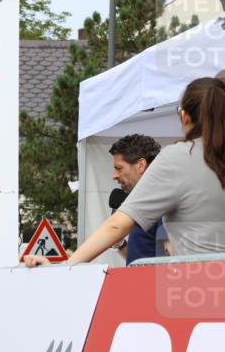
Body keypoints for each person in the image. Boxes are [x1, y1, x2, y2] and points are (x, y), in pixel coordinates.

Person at [25, 76, 225, 266]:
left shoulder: (178, 157)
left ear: (185, 116)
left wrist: (67, 266)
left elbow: (116, 226)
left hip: (204, 288)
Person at [107, 134, 167, 264]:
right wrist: (120, 244)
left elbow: (168, 263)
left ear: (141, 165)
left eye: (119, 168)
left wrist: (69, 265)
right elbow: (141, 258)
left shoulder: (162, 203)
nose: (114, 176)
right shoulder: (142, 203)